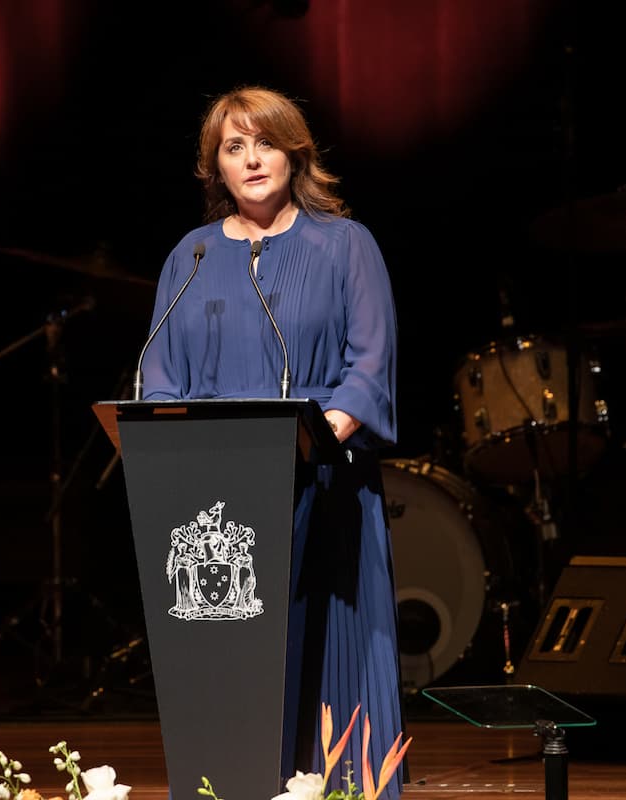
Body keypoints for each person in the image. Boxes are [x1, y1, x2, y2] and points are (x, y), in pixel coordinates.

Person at [140, 85, 404, 799]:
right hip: (214, 506)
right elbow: (159, 379)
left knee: (329, 669)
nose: (252, 159)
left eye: (265, 142)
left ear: (295, 152)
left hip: (324, 488)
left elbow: (369, 369)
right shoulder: (190, 256)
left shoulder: (345, 244)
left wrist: (310, 439)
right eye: (234, 147)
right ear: (214, 168)